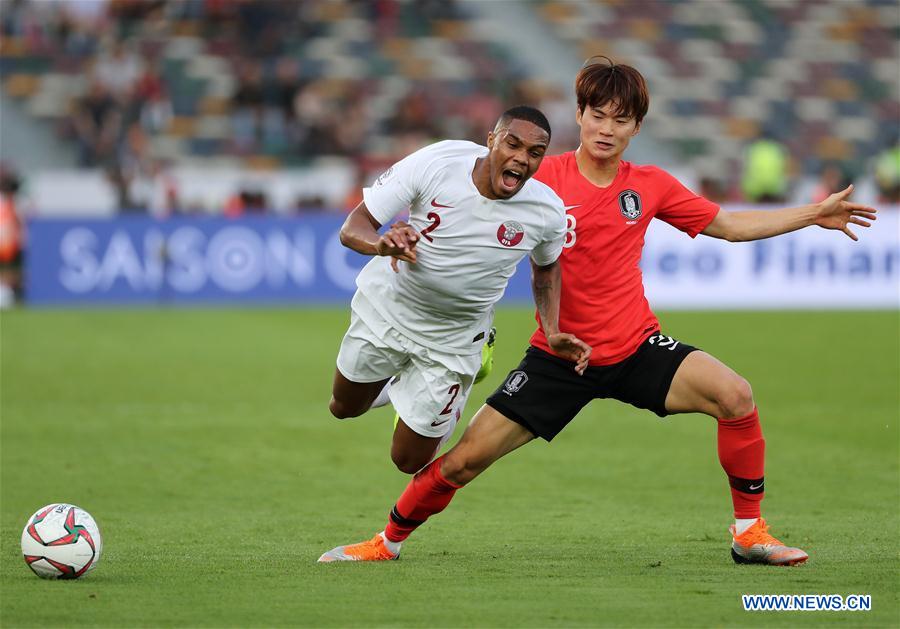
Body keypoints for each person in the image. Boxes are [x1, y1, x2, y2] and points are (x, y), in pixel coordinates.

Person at [319, 58, 877, 566]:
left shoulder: (652, 186)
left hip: (636, 347)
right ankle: (385, 543)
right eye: (598, 114)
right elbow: (486, 207)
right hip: (558, 357)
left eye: (622, 119)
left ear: (637, 128)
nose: (607, 128)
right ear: (579, 116)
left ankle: (749, 532)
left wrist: (811, 214)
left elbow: (728, 227)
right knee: (463, 462)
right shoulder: (539, 178)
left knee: (736, 395)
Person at [327, 105, 591, 482]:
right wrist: (382, 245)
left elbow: (546, 267)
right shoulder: (438, 162)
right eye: (512, 144)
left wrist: (551, 329)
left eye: (534, 153)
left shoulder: (546, 211)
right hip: (388, 310)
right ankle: (401, 386)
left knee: (407, 461)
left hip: (454, 340)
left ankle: (434, 388)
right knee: (343, 408)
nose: (521, 158)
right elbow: (354, 226)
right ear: (491, 141)